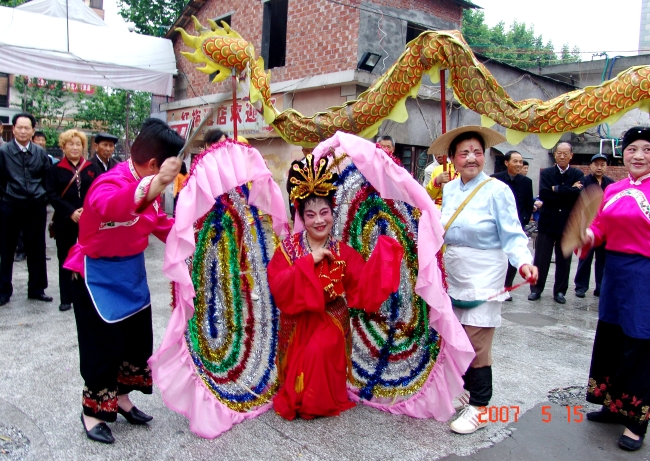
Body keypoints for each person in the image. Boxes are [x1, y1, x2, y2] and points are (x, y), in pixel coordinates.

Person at [63, 119, 183, 444]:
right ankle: (93, 412)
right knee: (103, 348)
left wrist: (199, 233)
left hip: (131, 274)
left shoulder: (147, 183)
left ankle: (122, 398)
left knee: (136, 343)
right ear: (155, 164)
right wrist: (157, 183)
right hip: (97, 276)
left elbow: (158, 222)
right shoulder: (110, 182)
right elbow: (112, 206)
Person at [267, 154, 403, 420]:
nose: (319, 220)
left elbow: (363, 288)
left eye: (324, 213)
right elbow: (277, 284)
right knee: (296, 387)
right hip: (296, 320)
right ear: (301, 217)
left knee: (317, 352)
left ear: (332, 213)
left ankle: (317, 398)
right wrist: (309, 261)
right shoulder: (288, 249)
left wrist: (384, 258)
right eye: (310, 215)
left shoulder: (343, 252)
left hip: (330, 316)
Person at [431, 126, 537, 434]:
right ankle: (463, 391)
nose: (471, 158)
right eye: (464, 153)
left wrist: (524, 262)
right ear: (452, 158)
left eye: (477, 152)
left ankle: (480, 408)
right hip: (454, 273)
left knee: (477, 342)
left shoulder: (497, 190)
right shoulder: (450, 189)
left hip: (485, 273)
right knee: (455, 337)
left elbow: (513, 234)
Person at [580, 126, 650, 452]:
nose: (639, 156)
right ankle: (612, 406)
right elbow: (601, 226)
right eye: (633, 149)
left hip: (644, 275)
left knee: (639, 343)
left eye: (647, 150)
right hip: (614, 273)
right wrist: (589, 235)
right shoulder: (614, 188)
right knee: (611, 338)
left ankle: (636, 423)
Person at [0, 113, 53, 306]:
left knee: (37, 248)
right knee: (6, 249)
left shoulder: (40, 153)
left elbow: (47, 179)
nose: (23, 131)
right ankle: (3, 290)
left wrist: (42, 198)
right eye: (19, 127)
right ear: (13, 129)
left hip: (35, 206)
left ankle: (37, 289)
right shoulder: (4, 152)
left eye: (27, 128)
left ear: (33, 130)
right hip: (11, 204)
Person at [45, 130, 98, 312]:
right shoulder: (53, 170)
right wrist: (71, 212)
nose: (75, 147)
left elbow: (97, 190)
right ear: (63, 147)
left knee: (88, 256)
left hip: (88, 219)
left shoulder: (92, 168)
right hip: (64, 220)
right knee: (65, 257)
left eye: (78, 144)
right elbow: (51, 194)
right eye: (70, 144)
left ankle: (86, 293)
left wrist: (86, 210)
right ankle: (66, 297)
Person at [528, 142, 584, 304]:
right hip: (547, 222)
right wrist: (568, 190)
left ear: (571, 155)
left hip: (567, 223)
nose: (562, 156)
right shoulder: (547, 173)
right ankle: (536, 289)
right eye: (559, 153)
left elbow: (578, 194)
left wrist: (557, 189)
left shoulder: (577, 174)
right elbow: (545, 194)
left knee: (564, 260)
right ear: (554, 155)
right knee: (541, 258)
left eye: (565, 153)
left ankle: (560, 291)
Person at [491, 150, 535, 300]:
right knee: (498, 256)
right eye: (515, 161)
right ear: (506, 162)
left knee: (513, 256)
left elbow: (528, 204)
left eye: (520, 162)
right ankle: (495, 284)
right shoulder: (495, 179)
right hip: (496, 225)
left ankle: (506, 287)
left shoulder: (526, 182)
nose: (518, 164)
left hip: (516, 224)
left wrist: (523, 220)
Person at [574, 153, 614, 299]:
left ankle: (600, 287)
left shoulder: (611, 184)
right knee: (585, 257)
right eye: (596, 164)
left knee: (602, 259)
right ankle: (581, 286)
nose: (599, 167)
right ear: (590, 166)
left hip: (604, 228)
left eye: (602, 165)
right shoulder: (583, 182)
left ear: (606, 167)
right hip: (588, 226)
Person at [425, 136, 459, 208]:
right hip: (439, 210)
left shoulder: (469, 172)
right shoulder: (437, 170)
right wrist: (437, 181)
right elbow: (428, 196)